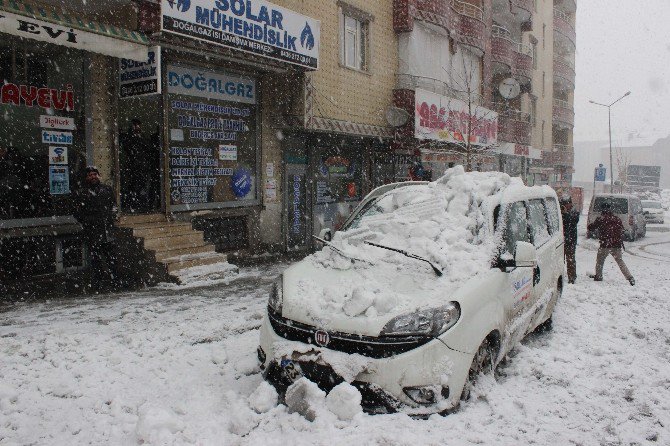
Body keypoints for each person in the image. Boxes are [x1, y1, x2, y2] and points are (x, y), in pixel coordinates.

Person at [73, 166, 119, 291]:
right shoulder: (82, 193)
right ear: (86, 178)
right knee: (96, 260)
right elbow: (77, 212)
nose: (93, 177)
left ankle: (115, 281)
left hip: (107, 230)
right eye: (90, 175)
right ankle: (97, 284)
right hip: (93, 232)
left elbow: (114, 205)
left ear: (98, 175)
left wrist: (112, 216)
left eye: (94, 174)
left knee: (112, 259)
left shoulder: (107, 190)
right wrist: (87, 221)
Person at [587, 201, 635, 285]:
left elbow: (591, 227)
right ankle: (630, 277)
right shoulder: (617, 219)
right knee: (620, 262)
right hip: (616, 244)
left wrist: (594, 225)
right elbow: (622, 230)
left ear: (602, 210)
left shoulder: (601, 219)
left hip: (605, 244)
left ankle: (599, 276)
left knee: (600, 261)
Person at [120, 119, 151, 212]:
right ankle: (132, 205)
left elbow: (148, 148)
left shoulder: (143, 137)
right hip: (132, 166)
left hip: (142, 166)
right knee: (132, 186)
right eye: (135, 125)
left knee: (142, 186)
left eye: (138, 125)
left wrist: (140, 138)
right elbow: (126, 147)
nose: (137, 127)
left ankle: (141, 206)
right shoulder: (128, 137)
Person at [560, 196, 580, 284]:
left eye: (567, 203)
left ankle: (572, 278)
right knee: (560, 260)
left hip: (571, 240)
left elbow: (573, 221)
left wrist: (565, 214)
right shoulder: (559, 211)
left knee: (570, 259)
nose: (566, 205)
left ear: (571, 203)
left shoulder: (574, 211)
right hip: (561, 240)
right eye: (564, 204)